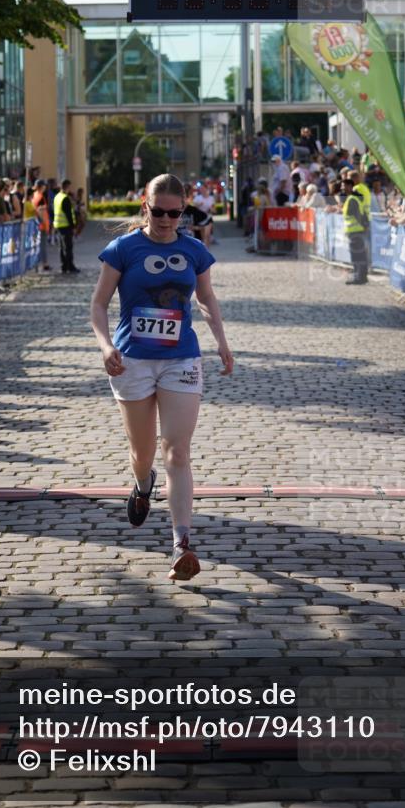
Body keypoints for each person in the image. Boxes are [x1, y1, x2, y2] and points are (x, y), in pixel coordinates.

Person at [90, 174, 234, 582]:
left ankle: (181, 542)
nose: (168, 220)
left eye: (176, 212)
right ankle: (141, 484)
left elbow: (206, 298)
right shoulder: (123, 249)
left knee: (178, 451)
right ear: (145, 206)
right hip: (132, 361)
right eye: (160, 212)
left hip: (181, 359)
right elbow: (99, 305)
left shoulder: (194, 250)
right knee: (144, 453)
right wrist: (105, 346)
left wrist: (221, 341)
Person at [341, 177, 369, 284]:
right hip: (357, 230)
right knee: (360, 254)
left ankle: (359, 277)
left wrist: (363, 226)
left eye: (344, 186)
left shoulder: (352, 199)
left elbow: (357, 215)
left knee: (357, 255)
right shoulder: (354, 198)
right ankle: (361, 276)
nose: (342, 188)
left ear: (350, 186)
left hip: (355, 231)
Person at [53, 178, 79, 274]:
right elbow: (68, 214)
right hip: (66, 226)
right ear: (67, 187)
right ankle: (70, 266)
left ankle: (63, 266)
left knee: (62, 247)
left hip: (59, 225)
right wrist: (74, 227)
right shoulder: (65, 198)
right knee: (68, 247)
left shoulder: (57, 197)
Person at [31, 179, 51, 271]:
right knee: (42, 245)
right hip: (42, 225)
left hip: (37, 224)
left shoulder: (34, 195)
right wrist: (43, 222)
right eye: (44, 186)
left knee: (37, 245)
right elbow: (40, 211)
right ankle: (44, 263)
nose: (45, 188)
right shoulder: (41, 197)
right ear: (41, 186)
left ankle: (38, 264)